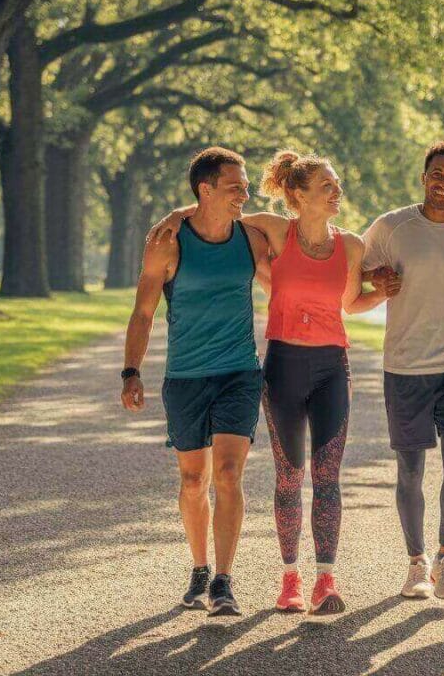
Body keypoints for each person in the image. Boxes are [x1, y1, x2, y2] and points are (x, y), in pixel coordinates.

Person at [148, 151, 389, 614]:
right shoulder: (275, 231)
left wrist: (384, 293)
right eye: (327, 185)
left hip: (332, 368)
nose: (336, 191)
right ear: (298, 195)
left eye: (336, 184)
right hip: (282, 366)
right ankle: (290, 580)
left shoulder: (352, 245)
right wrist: (174, 217)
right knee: (288, 478)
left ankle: (325, 579)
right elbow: (214, 212)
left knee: (328, 478)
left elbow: (350, 303)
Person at [121, 147, 270, 617]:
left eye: (245, 186)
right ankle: (200, 567)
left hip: (239, 372)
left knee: (227, 474)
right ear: (205, 190)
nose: (244, 194)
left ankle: (224, 580)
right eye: (234, 187)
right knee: (192, 480)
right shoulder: (167, 242)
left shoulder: (251, 236)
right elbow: (144, 312)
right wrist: (131, 371)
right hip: (185, 376)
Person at [362, 140, 444, 600]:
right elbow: (354, 270)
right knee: (410, 470)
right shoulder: (393, 226)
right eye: (437, 174)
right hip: (405, 366)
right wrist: (375, 279)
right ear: (423, 177)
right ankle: (416, 565)